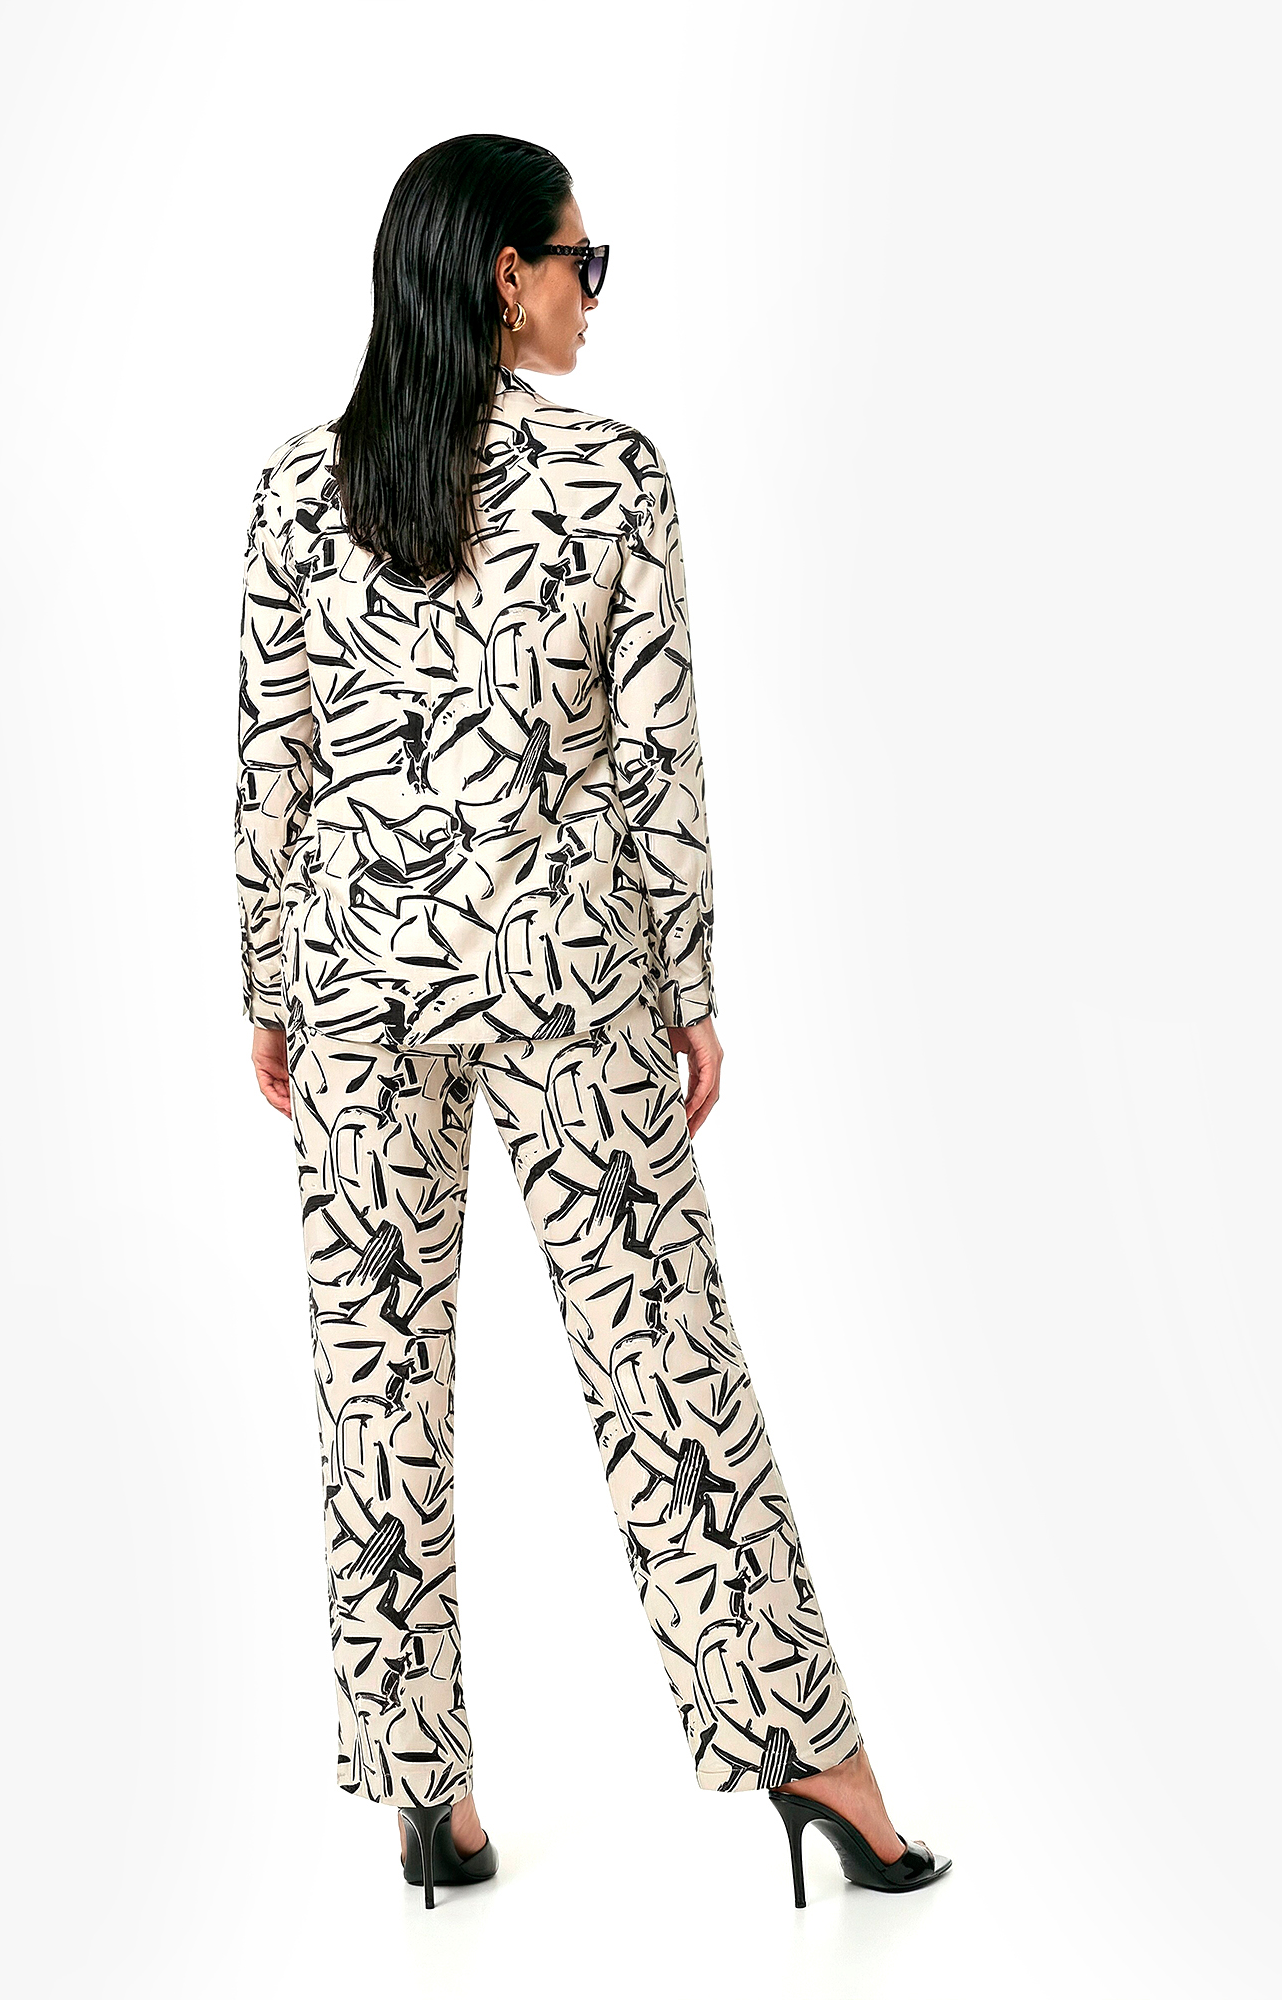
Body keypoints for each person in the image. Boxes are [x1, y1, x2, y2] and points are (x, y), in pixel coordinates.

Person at [233, 132, 950, 1912]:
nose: (590, 295)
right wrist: (689, 991)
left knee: (373, 1385)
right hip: (568, 979)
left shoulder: (297, 488)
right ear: (507, 276)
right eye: (581, 262)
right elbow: (656, 765)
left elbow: (274, 763)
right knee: (668, 1371)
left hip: (353, 985)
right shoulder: (612, 474)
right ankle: (813, 1764)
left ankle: (425, 1792)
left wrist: (268, 985)